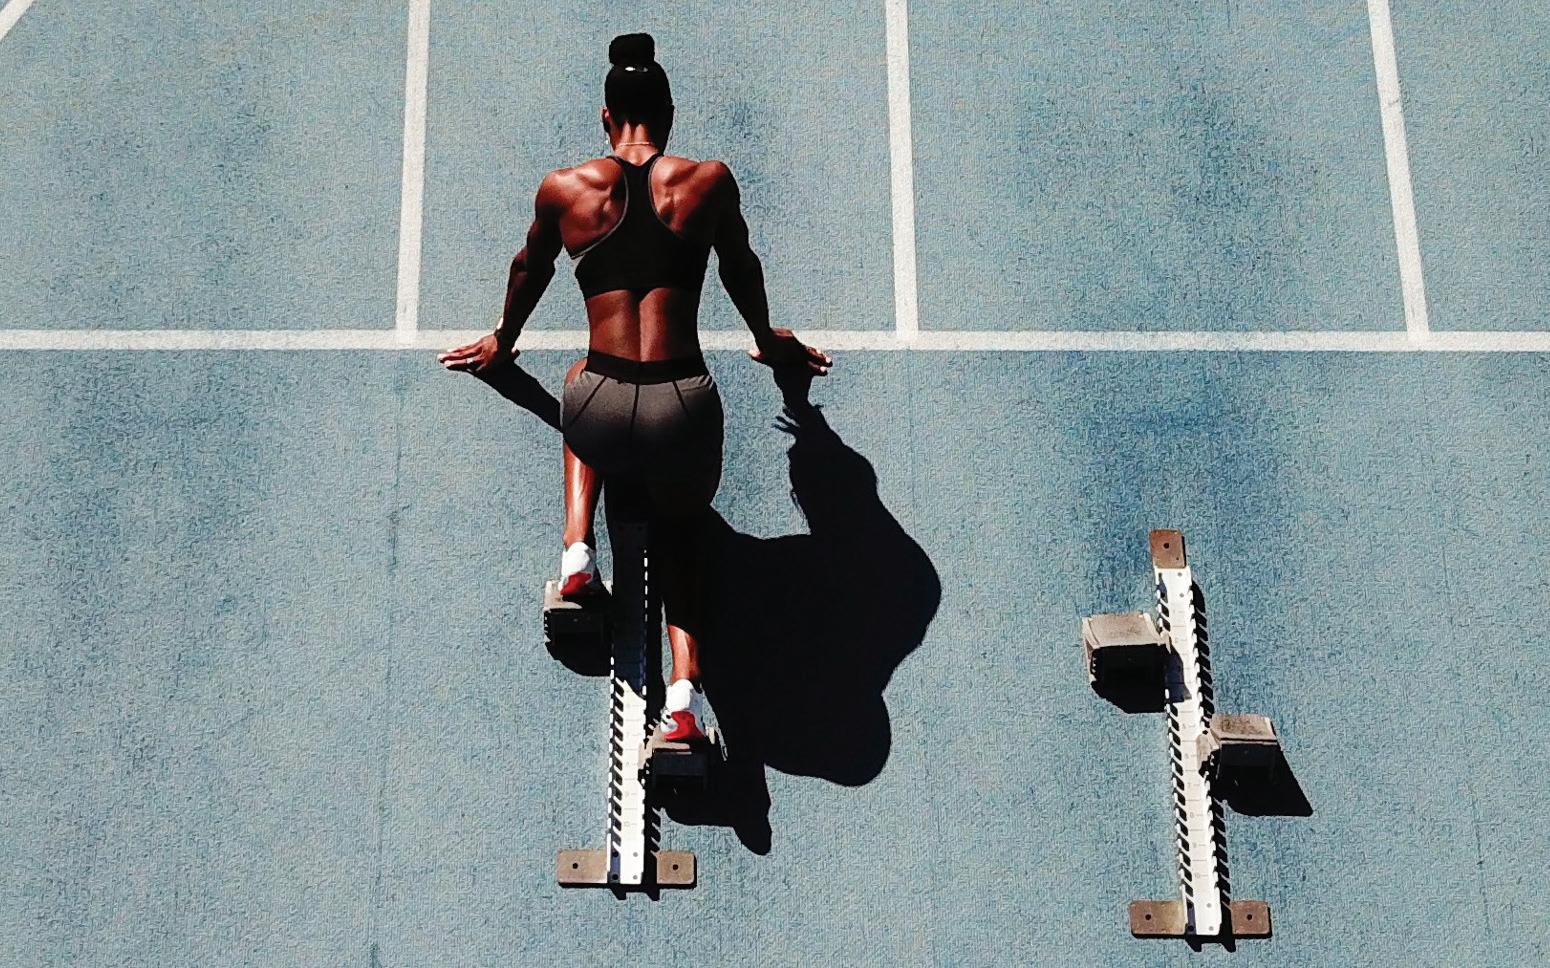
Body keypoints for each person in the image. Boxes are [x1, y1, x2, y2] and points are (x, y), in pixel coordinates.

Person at [439, 32, 830, 743]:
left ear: (605, 117)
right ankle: (683, 702)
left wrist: (502, 338)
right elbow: (741, 267)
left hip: (603, 405)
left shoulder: (565, 189)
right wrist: (769, 339)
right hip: (681, 407)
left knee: (577, 380)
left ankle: (577, 554)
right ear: (670, 114)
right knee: (682, 530)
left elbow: (530, 267)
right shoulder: (709, 182)